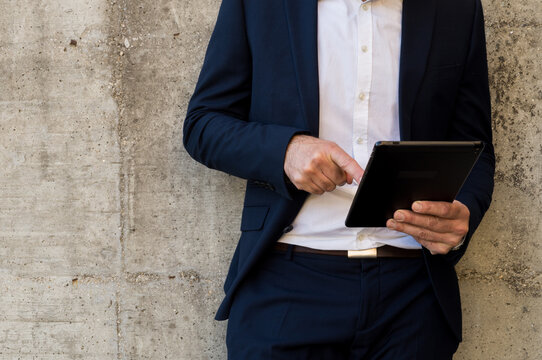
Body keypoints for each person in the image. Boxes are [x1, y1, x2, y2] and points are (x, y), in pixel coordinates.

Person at [184, 0, 495, 358]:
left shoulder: (456, 8)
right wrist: (285, 151)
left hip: (412, 292)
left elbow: (477, 148)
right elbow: (203, 124)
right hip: (287, 286)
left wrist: (464, 212)